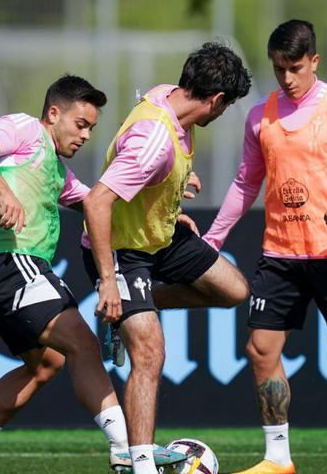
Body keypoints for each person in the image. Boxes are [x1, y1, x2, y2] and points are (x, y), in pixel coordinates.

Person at [0, 75, 186, 474]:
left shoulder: (57, 171)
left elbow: (98, 202)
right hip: (9, 262)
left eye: (92, 127)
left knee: (45, 365)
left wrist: (167, 205)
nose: (87, 135)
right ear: (53, 113)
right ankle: (125, 447)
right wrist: (4, 191)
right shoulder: (25, 128)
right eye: (80, 124)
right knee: (83, 345)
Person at [203, 20, 327, 474]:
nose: (286, 78)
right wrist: (213, 239)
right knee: (260, 350)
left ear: (314, 62)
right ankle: (278, 458)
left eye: (295, 68)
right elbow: (245, 184)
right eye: (278, 68)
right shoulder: (260, 116)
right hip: (281, 254)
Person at [82, 42, 252, 474]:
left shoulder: (170, 98)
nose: (222, 114)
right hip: (122, 249)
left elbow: (155, 171)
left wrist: (173, 195)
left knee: (234, 289)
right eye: (226, 106)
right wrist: (107, 280)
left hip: (160, 236)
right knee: (151, 353)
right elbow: (98, 202)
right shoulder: (153, 141)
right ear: (216, 101)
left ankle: (136, 310)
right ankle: (139, 466)